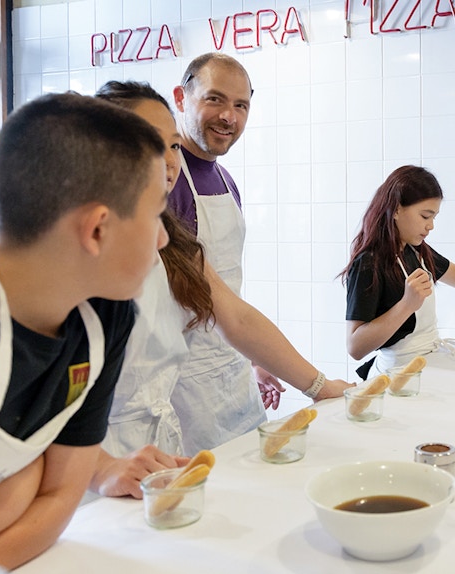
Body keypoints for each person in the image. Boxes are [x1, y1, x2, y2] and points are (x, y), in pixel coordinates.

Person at [89, 80, 352, 498]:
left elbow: (238, 317)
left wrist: (319, 386)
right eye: (148, 144)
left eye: (173, 145)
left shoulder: (174, 244)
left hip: (159, 460)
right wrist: (97, 469)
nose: (169, 161)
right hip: (96, 466)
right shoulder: (71, 250)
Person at [0, 92, 168, 569]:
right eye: (156, 214)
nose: (164, 237)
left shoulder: (107, 319)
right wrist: (19, 489)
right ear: (97, 230)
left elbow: (58, 500)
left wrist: (24, 489)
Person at [168, 52, 287, 454]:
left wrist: (255, 356)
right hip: (186, 383)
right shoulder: (169, 181)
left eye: (241, 105)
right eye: (215, 99)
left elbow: (227, 283)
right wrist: (317, 383)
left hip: (233, 369)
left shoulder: (225, 178)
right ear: (181, 99)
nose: (229, 117)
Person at [341, 165, 455, 379]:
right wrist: (407, 305)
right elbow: (355, 347)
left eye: (433, 218)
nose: (431, 226)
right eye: (425, 216)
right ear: (395, 209)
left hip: (428, 361)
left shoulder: (418, 251)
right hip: (396, 375)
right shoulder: (368, 263)